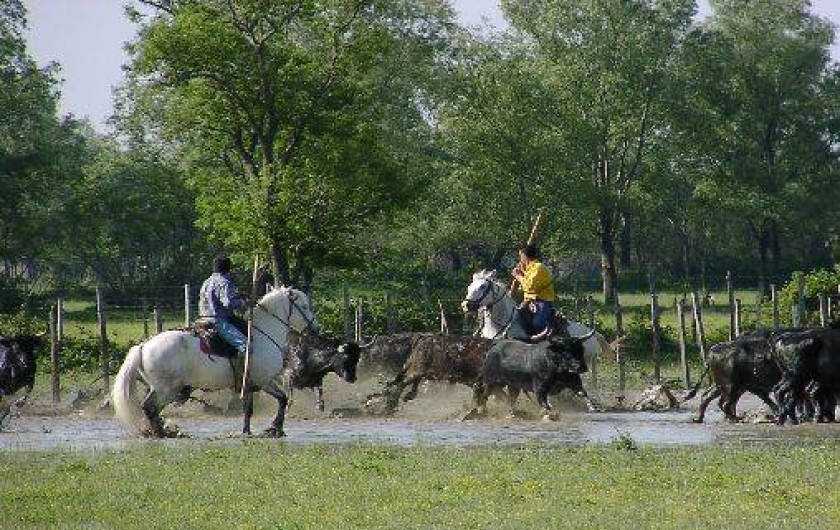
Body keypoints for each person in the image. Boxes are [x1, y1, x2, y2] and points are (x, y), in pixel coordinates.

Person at [199, 254, 250, 388]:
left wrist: (238, 295)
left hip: (203, 318)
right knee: (246, 346)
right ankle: (241, 381)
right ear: (228, 268)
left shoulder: (207, 281)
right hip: (219, 321)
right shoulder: (224, 282)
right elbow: (228, 303)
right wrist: (244, 303)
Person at [511, 244, 556, 341]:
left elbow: (530, 287)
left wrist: (518, 276)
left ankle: (549, 340)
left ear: (524, 256)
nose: (520, 259)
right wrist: (521, 275)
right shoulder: (528, 269)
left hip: (542, 301)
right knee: (515, 319)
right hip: (528, 302)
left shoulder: (539, 268)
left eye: (521, 256)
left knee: (538, 323)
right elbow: (522, 288)